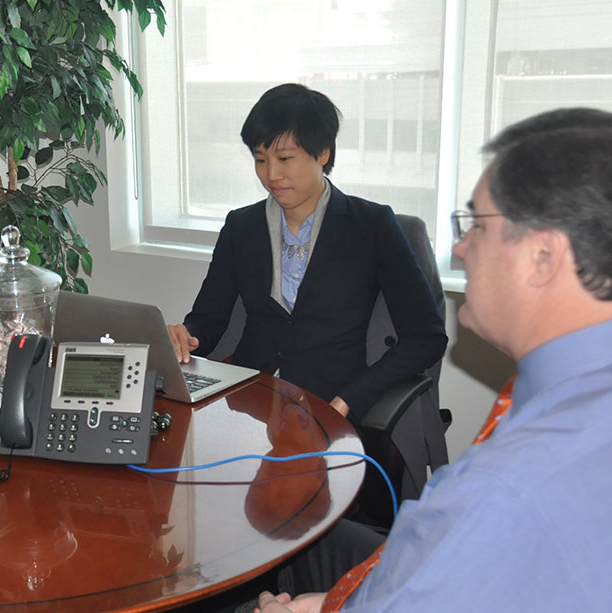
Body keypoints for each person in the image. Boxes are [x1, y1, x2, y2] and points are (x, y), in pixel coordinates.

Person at [255, 107, 612, 612]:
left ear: (544, 257)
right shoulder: (564, 397)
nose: (461, 248)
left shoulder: (511, 488)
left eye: (477, 226)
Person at [168, 84, 446, 423]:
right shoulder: (241, 227)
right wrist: (187, 335)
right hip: (249, 404)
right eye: (260, 159)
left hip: (333, 408)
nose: (271, 174)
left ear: (323, 153)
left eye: (285, 158)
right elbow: (208, 320)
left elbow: (425, 338)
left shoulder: (372, 226)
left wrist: (351, 398)